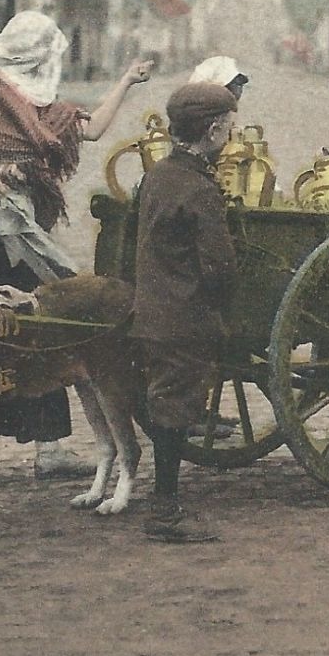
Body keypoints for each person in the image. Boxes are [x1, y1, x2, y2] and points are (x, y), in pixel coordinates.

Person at [0, 10, 154, 477]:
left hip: (20, 234)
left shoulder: (42, 108)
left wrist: (127, 80)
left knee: (45, 331)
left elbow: (89, 130)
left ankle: (48, 450)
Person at [131, 81, 240, 543]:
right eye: (229, 129)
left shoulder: (157, 175)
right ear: (213, 130)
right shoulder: (200, 191)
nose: (231, 137)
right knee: (174, 409)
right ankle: (165, 510)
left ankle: (165, 501)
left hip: (153, 311)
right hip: (183, 316)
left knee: (167, 403)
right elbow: (219, 268)